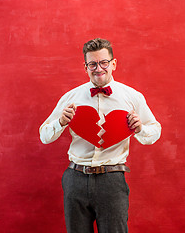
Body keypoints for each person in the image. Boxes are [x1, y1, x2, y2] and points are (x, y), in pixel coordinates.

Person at [39, 38, 161, 233]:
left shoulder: (132, 97)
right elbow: (44, 136)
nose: (98, 68)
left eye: (103, 62)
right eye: (92, 64)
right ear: (85, 66)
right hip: (75, 178)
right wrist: (60, 122)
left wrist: (140, 129)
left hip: (111, 180)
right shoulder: (71, 97)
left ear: (113, 63)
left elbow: (154, 131)